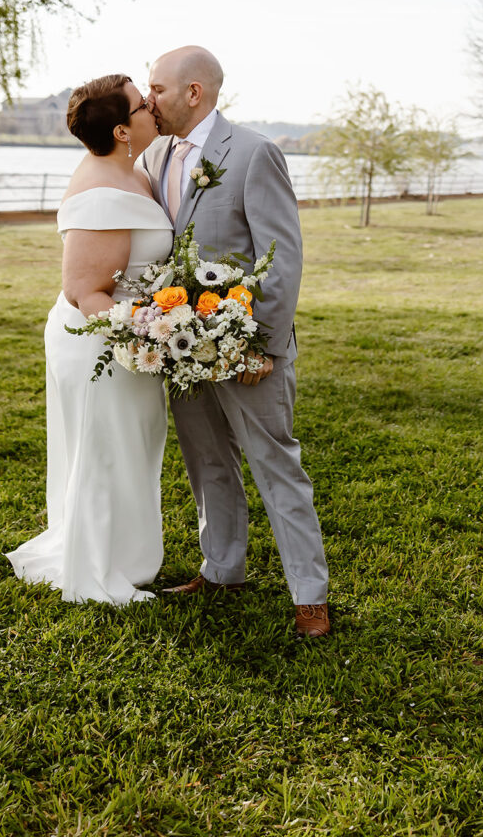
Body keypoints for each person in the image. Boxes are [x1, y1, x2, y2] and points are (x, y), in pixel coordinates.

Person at [139, 46, 331, 638]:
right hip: (182, 346)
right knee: (206, 462)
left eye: (159, 90)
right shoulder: (151, 156)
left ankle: (311, 597)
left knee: (276, 465)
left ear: (194, 92)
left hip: (246, 345)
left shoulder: (252, 154)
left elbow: (281, 258)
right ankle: (222, 568)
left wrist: (264, 346)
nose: (150, 101)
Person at [5, 74, 173, 604]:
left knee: (132, 443)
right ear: (123, 131)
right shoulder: (101, 189)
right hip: (101, 339)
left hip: (124, 333)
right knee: (106, 446)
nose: (152, 107)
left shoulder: (130, 170)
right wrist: (150, 331)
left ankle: (126, 552)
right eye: (142, 105)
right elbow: (83, 290)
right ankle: (100, 563)